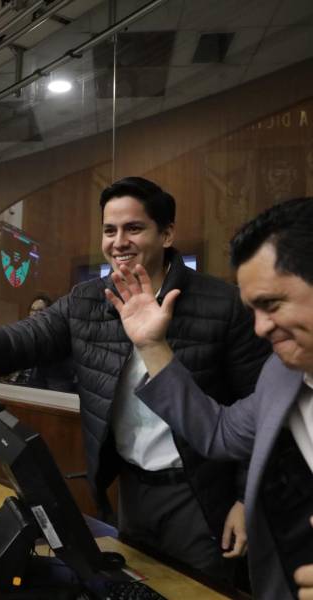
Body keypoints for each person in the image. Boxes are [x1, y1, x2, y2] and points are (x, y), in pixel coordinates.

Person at [0, 177, 270, 581]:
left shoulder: (223, 305)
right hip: (130, 488)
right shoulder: (87, 301)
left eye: (134, 228)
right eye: (110, 230)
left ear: (166, 234)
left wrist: (244, 498)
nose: (119, 242)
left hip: (201, 495)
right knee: (137, 586)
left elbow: (255, 410)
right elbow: (20, 339)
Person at [106, 196, 313, 600]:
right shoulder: (280, 375)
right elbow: (217, 432)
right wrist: (152, 346)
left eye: (271, 305)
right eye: (253, 310)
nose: (260, 328)